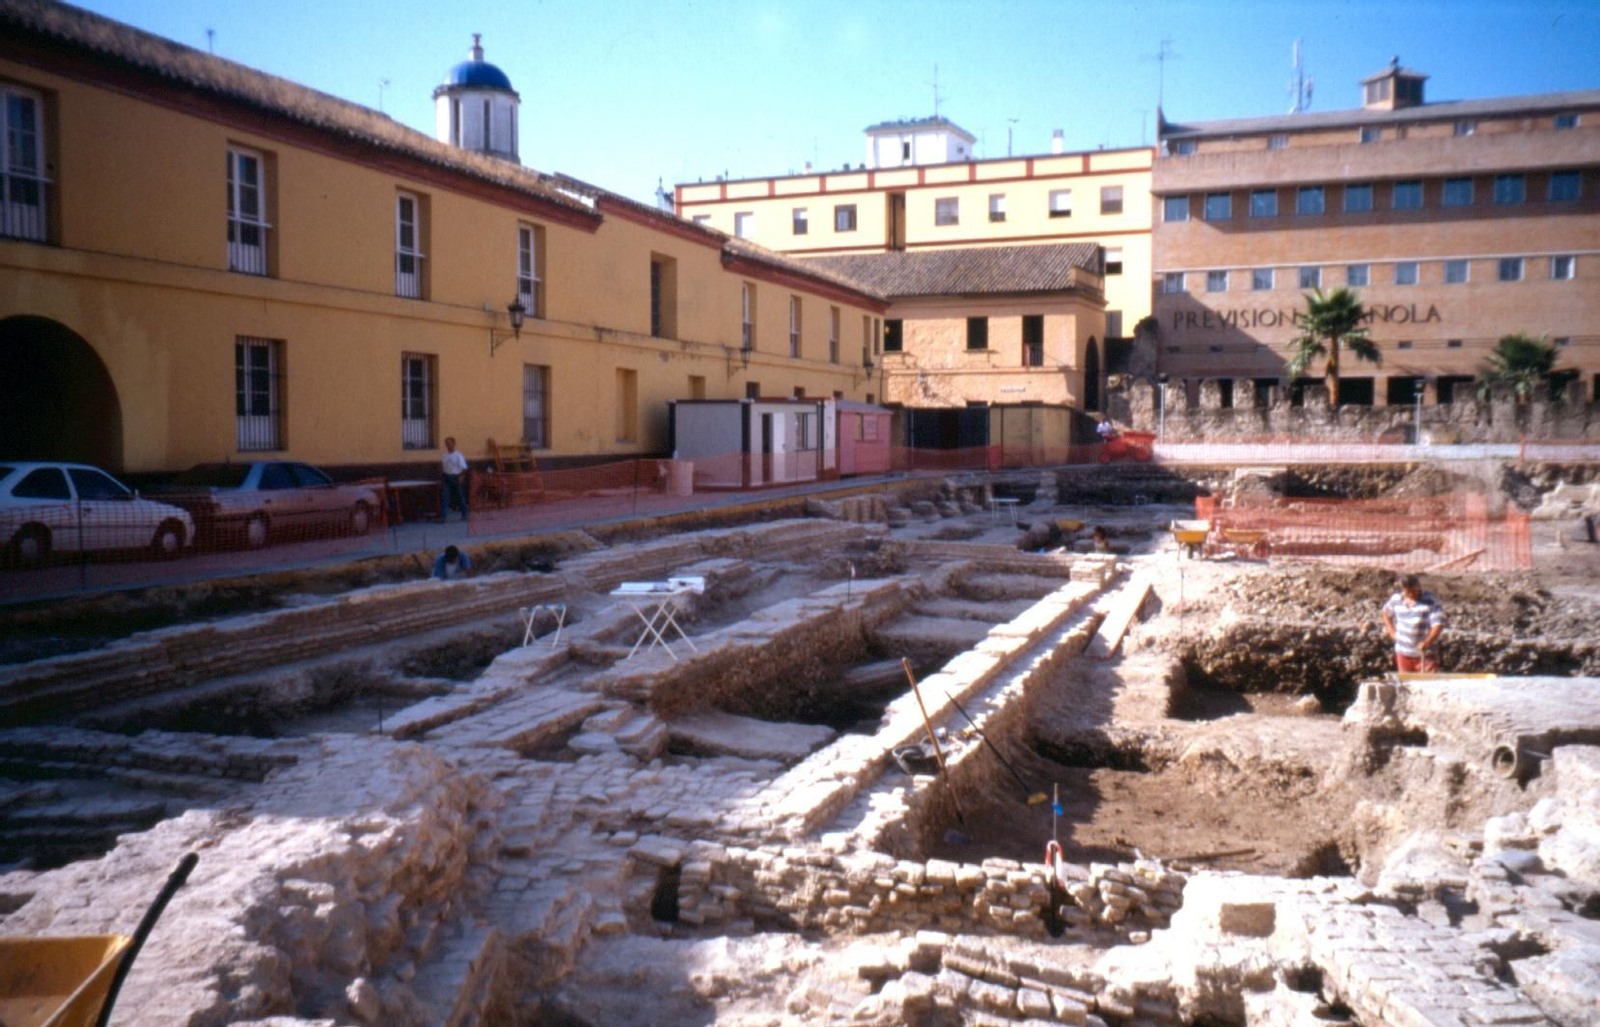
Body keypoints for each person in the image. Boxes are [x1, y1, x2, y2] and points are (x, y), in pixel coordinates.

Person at [1381, 573, 1445, 672]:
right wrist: (1391, 631)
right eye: (1409, 592)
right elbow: (1386, 612)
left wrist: (1428, 642)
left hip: (1425, 655)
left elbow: (1438, 624)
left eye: (1415, 590)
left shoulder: (1429, 600)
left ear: (1419, 586)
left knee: (1428, 685)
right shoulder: (1397, 599)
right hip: (1403, 653)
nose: (1413, 594)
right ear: (1403, 590)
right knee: (1406, 685)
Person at [438, 436, 469, 522]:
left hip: (456, 477)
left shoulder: (458, 455)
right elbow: (443, 467)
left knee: (460, 496)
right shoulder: (444, 455)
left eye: (450, 443)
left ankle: (465, 514)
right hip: (446, 477)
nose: (448, 445)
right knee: (445, 496)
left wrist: (461, 477)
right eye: (446, 443)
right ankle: (443, 517)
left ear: (454, 444)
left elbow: (464, 468)